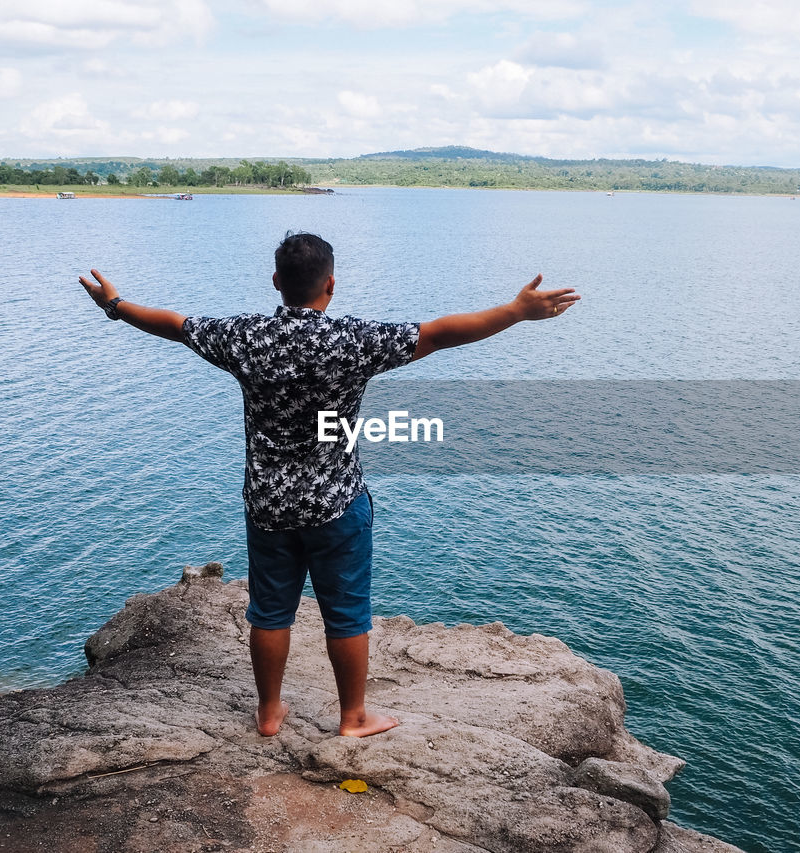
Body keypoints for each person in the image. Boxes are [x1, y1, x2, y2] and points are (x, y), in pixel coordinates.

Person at [78, 232, 579, 738]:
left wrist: (115, 305)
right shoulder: (352, 342)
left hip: (269, 504)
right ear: (331, 285)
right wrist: (516, 311)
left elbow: (174, 325)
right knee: (347, 613)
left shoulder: (244, 338)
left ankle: (270, 713)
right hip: (337, 503)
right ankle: (353, 717)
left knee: (270, 612)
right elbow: (441, 333)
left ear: (276, 282)